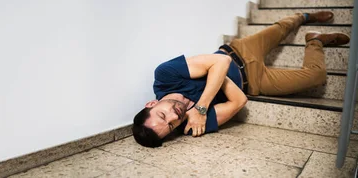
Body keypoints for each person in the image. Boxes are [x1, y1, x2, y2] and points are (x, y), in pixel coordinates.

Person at [132, 11, 351, 148]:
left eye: (163, 114)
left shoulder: (164, 76)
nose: (174, 116)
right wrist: (214, 74)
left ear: (151, 104)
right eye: (170, 126)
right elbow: (239, 101)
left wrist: (201, 106)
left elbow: (223, 62)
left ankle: (304, 16)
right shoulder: (191, 125)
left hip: (239, 50)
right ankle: (315, 41)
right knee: (316, 76)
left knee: (282, 27)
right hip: (255, 82)